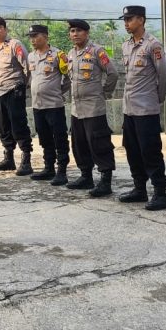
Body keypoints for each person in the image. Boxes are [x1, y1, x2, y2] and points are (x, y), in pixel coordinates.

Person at [117, 5, 166, 210]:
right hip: (129, 109)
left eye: (129, 19)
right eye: (125, 19)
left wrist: (155, 100)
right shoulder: (126, 46)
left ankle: (160, 192)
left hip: (146, 109)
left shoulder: (153, 45)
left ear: (141, 19)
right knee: (132, 150)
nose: (126, 23)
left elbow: (164, 77)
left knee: (150, 151)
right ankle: (139, 188)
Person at [64, 19, 118, 197]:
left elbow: (112, 73)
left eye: (79, 30)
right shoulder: (71, 54)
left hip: (94, 107)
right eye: (72, 31)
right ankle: (85, 176)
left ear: (87, 33)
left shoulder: (97, 51)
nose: (75, 34)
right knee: (79, 144)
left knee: (99, 143)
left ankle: (105, 181)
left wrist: (105, 93)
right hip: (76, 108)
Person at [26, 24, 71, 185]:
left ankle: (62, 171)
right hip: (38, 106)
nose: (32, 39)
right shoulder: (31, 56)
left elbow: (69, 77)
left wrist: (58, 91)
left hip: (54, 105)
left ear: (45, 37)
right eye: (30, 37)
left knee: (59, 138)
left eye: (35, 36)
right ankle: (48, 168)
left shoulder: (58, 55)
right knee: (44, 138)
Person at [0, 16, 33, 176]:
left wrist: (23, 86)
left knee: (18, 124)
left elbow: (28, 67)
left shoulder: (15, 44)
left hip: (14, 90)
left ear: (5, 30)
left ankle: (26, 159)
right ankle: (9, 159)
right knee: (3, 126)